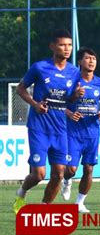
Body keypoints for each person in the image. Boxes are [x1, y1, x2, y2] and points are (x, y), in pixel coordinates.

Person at [13, 29, 83, 214]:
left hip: (60, 129)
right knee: (39, 174)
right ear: (52, 46)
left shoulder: (74, 71)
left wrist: (75, 96)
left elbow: (69, 99)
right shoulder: (39, 67)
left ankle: (44, 210)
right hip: (39, 127)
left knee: (59, 173)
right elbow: (20, 89)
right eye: (62, 45)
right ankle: (21, 193)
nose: (66, 49)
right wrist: (35, 104)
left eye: (69, 45)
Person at [60, 47, 100, 213]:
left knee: (89, 169)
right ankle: (66, 180)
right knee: (71, 169)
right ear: (80, 62)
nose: (91, 61)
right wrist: (69, 112)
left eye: (94, 58)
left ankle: (79, 203)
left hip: (92, 134)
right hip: (73, 133)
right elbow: (60, 103)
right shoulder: (71, 82)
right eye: (88, 58)